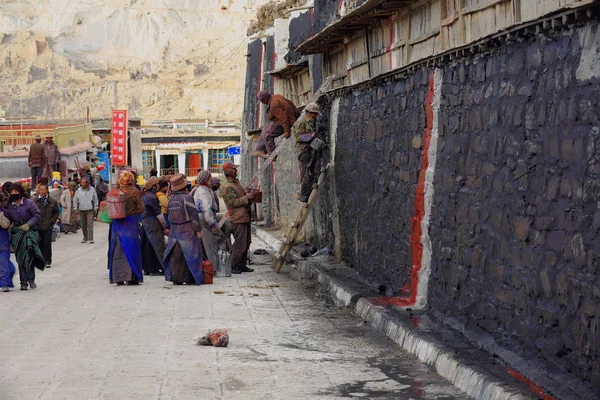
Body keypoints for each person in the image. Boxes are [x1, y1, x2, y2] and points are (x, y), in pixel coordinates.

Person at [163, 174, 203, 285]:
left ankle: (176, 278)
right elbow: (194, 216)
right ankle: (191, 278)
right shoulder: (187, 197)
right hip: (187, 230)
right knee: (191, 255)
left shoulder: (171, 199)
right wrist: (198, 230)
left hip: (174, 231)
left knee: (175, 255)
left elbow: (169, 216)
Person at [4, 183, 45, 290]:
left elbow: (37, 215)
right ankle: (23, 282)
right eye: (12, 192)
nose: (13, 194)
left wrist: (29, 224)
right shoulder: (9, 205)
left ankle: (31, 279)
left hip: (29, 231)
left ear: (20, 193)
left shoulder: (29, 203)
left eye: (16, 192)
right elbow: (7, 218)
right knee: (20, 257)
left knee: (29, 254)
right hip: (16, 233)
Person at [108, 171, 145, 286]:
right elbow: (141, 208)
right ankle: (131, 277)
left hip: (117, 225)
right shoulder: (134, 191)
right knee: (132, 249)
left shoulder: (115, 192)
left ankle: (118, 277)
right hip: (130, 224)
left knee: (117, 249)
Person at [220, 162, 255, 274]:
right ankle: (233, 265)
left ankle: (242, 265)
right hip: (237, 217)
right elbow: (233, 203)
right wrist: (247, 198)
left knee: (247, 241)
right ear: (230, 172)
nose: (236, 171)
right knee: (240, 243)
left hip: (244, 216)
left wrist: (248, 196)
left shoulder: (236, 183)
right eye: (234, 169)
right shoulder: (227, 187)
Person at [252, 90, 300, 158]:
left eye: (262, 100)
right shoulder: (276, 96)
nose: (262, 103)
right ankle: (260, 150)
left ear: (265, 98)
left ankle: (272, 154)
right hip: (284, 119)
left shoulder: (273, 105)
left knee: (267, 134)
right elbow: (290, 102)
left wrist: (287, 132)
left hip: (288, 122)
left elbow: (284, 118)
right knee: (265, 129)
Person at [292, 102, 322, 202]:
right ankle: (304, 195)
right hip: (303, 151)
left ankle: (312, 187)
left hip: (310, 149)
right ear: (310, 113)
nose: (316, 116)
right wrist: (310, 136)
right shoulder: (300, 122)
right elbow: (298, 137)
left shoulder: (310, 120)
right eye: (315, 114)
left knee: (314, 169)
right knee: (304, 174)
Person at [194, 170, 220, 270]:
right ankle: (213, 268)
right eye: (209, 178)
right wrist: (212, 224)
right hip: (204, 219)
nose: (211, 180)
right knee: (210, 244)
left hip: (203, 218)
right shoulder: (203, 192)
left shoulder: (205, 189)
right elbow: (206, 209)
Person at [141, 177, 166, 276]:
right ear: (154, 186)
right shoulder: (152, 197)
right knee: (159, 246)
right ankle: (166, 267)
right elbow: (158, 214)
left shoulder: (144, 195)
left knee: (148, 246)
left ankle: (149, 268)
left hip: (144, 222)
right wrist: (164, 225)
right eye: (157, 185)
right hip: (152, 222)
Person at [35, 183, 59, 268]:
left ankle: (47, 260)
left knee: (47, 243)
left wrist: (52, 221)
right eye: (40, 189)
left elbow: (56, 212)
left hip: (48, 226)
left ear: (47, 190)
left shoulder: (52, 201)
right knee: (39, 243)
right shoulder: (34, 201)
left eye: (43, 189)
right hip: (37, 226)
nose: (42, 191)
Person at [73, 176, 98, 244]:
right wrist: (75, 208)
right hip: (81, 210)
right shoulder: (79, 190)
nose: (82, 184)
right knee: (83, 225)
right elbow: (75, 200)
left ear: (87, 183)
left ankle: (91, 238)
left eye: (84, 183)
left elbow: (95, 199)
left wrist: (96, 207)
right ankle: (85, 238)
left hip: (90, 210)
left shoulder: (92, 189)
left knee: (90, 224)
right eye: (81, 183)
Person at [0, 208, 15, 292]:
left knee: (4, 261)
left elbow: (6, 225)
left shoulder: (4, 212)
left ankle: (4, 283)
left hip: (3, 238)